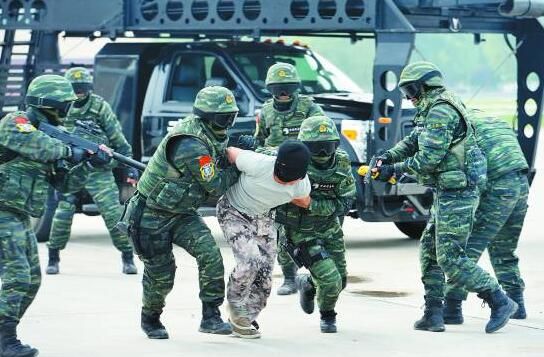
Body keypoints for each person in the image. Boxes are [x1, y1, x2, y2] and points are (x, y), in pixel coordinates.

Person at [372, 61, 517, 334]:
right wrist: (388, 156)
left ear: (426, 85)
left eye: (411, 90)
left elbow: (427, 159)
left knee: (450, 257)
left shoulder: (440, 110)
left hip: (458, 192)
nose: (409, 97)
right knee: (429, 250)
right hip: (447, 190)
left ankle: (499, 300)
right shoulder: (433, 107)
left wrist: (394, 170)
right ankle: (434, 313)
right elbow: (416, 139)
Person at [0, 74, 109, 357]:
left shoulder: (49, 134)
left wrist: (89, 161)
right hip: (2, 212)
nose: (68, 109)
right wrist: (73, 150)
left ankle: (4, 335)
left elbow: (65, 184)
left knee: (32, 279)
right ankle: (4, 341)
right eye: (64, 104)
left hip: (19, 215)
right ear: (49, 104)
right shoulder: (17, 123)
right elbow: (42, 147)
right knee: (18, 275)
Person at [119, 86, 240, 339]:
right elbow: (216, 185)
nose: (228, 123)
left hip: (182, 213)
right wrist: (239, 163)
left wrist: (239, 146)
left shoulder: (212, 134)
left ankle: (211, 317)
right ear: (205, 116)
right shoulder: (190, 143)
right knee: (162, 274)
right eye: (223, 118)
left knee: (211, 256)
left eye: (232, 117)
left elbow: (217, 159)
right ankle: (150, 319)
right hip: (151, 216)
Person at [46, 67, 138, 275]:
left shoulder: (99, 106)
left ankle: (127, 257)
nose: (79, 93)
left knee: (113, 214)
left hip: (98, 169)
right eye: (75, 89)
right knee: (63, 213)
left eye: (83, 88)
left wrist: (129, 168)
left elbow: (118, 139)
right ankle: (53, 257)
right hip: (70, 167)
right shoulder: (61, 106)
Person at [216, 140, 311, 339]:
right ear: (277, 166)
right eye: (283, 179)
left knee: (265, 276)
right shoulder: (258, 163)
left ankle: (244, 321)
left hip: (263, 217)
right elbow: (231, 152)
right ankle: (236, 309)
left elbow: (303, 201)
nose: (288, 184)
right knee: (250, 261)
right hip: (234, 211)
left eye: (292, 180)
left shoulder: (301, 185)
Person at [443, 110, 529, 323]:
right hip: (521, 182)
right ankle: (517, 302)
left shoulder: (460, 125)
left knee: (466, 248)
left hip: (498, 186)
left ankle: (452, 307)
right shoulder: (493, 118)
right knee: (504, 248)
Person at [275, 115, 355, 333]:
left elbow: (345, 203)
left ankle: (308, 284)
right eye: (315, 148)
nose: (322, 154)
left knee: (341, 281)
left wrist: (311, 203)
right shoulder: (292, 159)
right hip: (300, 231)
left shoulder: (341, 162)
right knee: (330, 281)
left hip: (330, 228)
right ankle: (328, 317)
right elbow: (259, 160)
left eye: (327, 147)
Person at [255, 62, 325, 296]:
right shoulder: (265, 111)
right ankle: (289, 277)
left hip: (305, 174)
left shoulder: (309, 108)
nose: (283, 94)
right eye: (278, 89)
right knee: (280, 228)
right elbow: (259, 141)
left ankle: (319, 275)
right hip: (277, 176)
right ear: (270, 90)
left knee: (311, 227)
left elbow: (323, 135)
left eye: (287, 88)